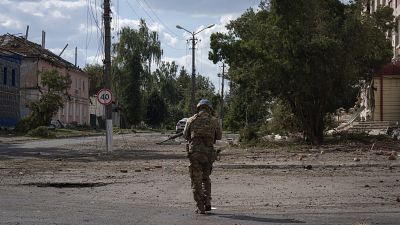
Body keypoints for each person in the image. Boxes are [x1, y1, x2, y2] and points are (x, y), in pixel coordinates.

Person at [183, 99, 222, 214]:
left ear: (198, 108)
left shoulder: (190, 120)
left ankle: (200, 206)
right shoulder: (215, 121)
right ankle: (208, 202)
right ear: (210, 109)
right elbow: (219, 137)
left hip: (194, 154)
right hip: (208, 154)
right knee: (206, 178)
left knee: (196, 180)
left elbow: (186, 135)